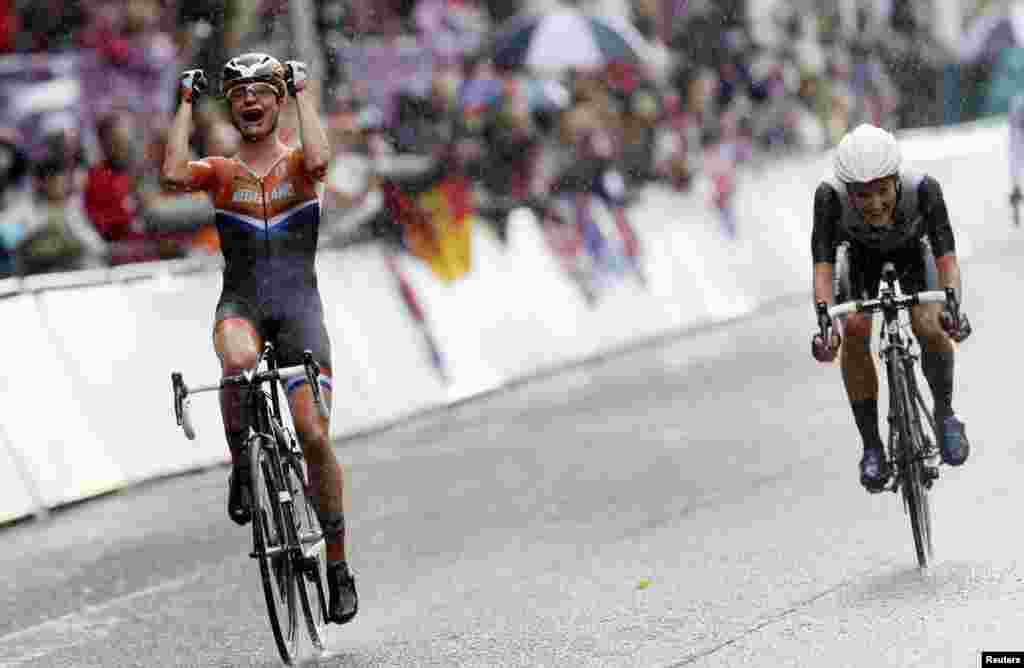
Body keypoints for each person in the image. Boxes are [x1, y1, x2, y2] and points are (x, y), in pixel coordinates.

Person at [161, 53, 358, 624]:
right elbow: (174, 174)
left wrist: (304, 93)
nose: (249, 101)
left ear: (277, 101)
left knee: (314, 438)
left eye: (261, 93)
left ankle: (339, 566)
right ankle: (243, 463)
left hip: (299, 311)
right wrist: (184, 105)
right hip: (242, 304)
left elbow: (321, 160)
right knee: (236, 360)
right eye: (239, 94)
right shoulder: (222, 171)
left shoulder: (300, 164)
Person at [810, 123, 972, 492]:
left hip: (914, 255)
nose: (875, 204)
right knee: (853, 330)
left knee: (930, 324)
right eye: (862, 196)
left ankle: (945, 413)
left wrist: (953, 308)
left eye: (882, 191)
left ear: (897, 180)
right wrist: (826, 325)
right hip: (859, 262)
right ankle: (872, 446)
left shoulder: (924, 189)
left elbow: (946, 259)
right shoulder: (829, 197)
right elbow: (823, 269)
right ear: (848, 192)